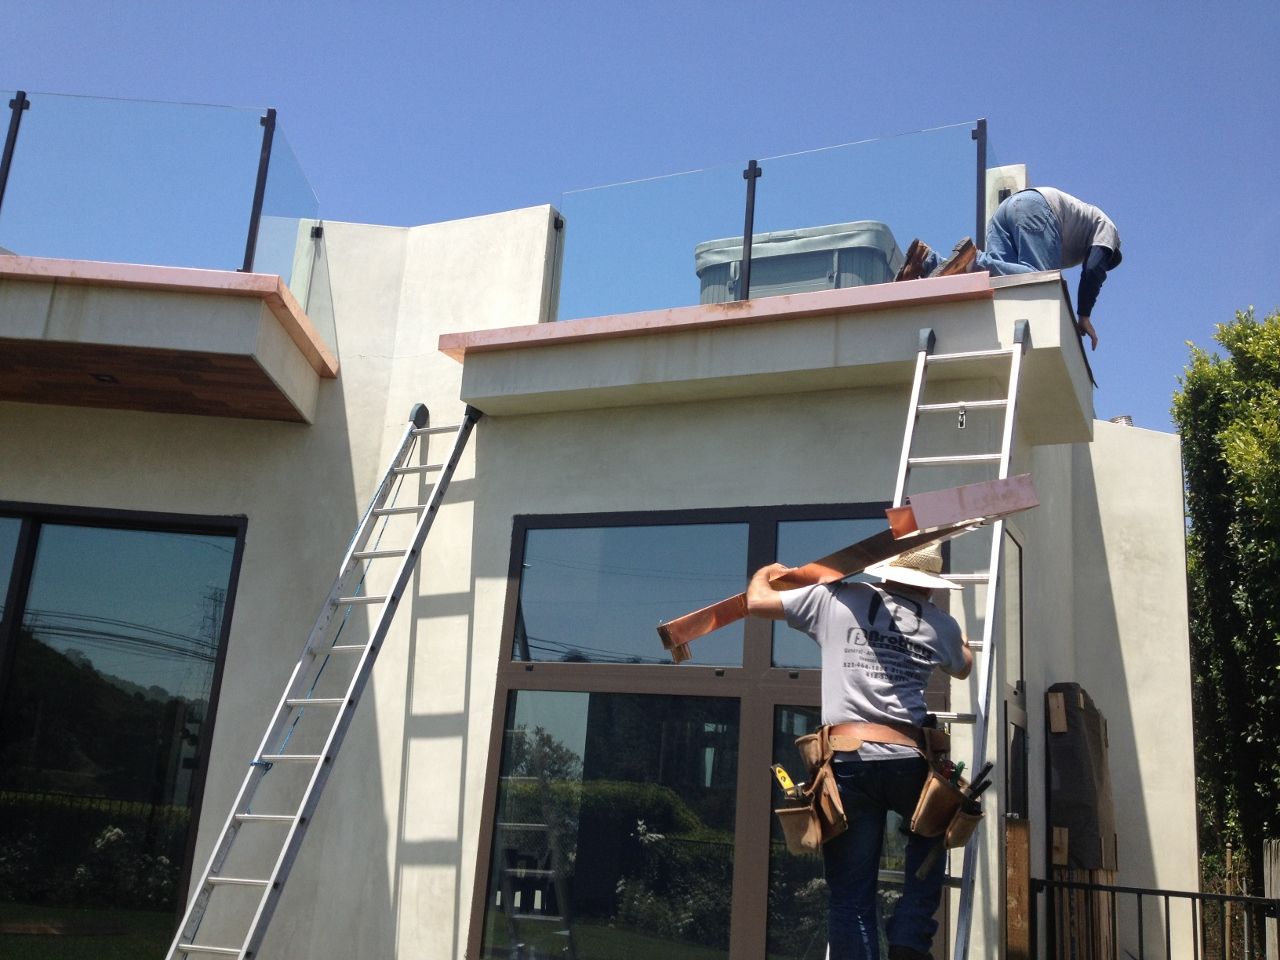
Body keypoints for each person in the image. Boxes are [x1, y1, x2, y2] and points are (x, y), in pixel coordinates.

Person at [746, 543, 972, 960]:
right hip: (910, 762)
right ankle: (909, 936)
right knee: (932, 838)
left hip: (849, 763)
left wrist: (766, 571)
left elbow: (757, 602)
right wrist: (953, 637)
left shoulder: (836, 600)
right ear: (929, 586)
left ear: (885, 572)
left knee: (850, 898)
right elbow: (963, 666)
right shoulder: (940, 623)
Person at [897, 186, 1122, 352]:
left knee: (1001, 283)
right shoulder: (1108, 230)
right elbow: (1093, 271)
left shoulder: (1078, 236)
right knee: (1038, 283)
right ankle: (974, 261)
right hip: (1038, 208)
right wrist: (1084, 316)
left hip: (1008, 210)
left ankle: (927, 261)